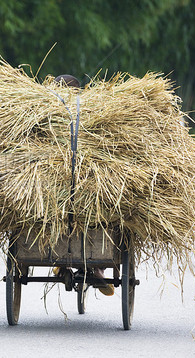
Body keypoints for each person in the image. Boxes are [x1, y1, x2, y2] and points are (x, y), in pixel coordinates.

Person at [53, 74, 114, 296]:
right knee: (100, 210)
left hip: (57, 194)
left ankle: (63, 261)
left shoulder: (46, 111)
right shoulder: (90, 112)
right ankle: (97, 269)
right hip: (84, 188)